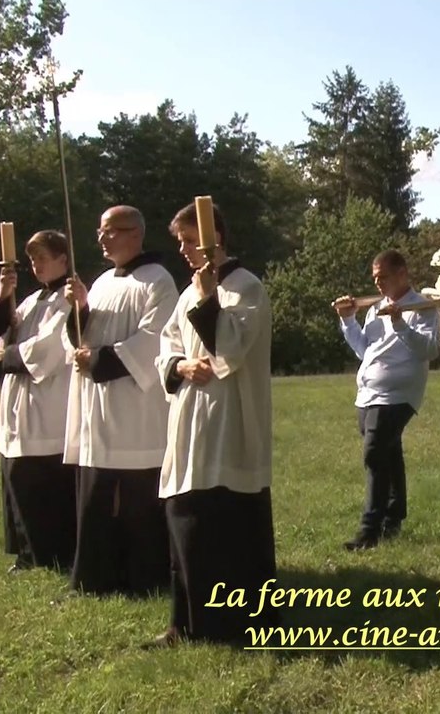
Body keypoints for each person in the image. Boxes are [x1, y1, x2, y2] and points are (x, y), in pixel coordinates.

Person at [148, 202, 278, 647]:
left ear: (214, 238)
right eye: (180, 242)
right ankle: (184, 623)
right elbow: (166, 347)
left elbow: (232, 350)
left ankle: (236, 625)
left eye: (189, 240)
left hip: (231, 422)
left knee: (227, 520)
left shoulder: (247, 287)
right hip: (190, 421)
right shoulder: (188, 293)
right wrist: (180, 366)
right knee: (185, 513)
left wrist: (208, 298)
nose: (183, 250)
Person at [62, 205, 180, 596]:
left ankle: (143, 578)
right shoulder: (99, 283)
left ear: (135, 233)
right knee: (98, 500)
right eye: (100, 231)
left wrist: (97, 360)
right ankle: (96, 577)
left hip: (136, 412)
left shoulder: (158, 282)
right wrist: (79, 308)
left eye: (110, 231)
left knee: (136, 504)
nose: (101, 238)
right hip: (98, 409)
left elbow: (153, 342)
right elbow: (85, 332)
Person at [332, 250, 440, 550]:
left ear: (402, 274)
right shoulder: (375, 308)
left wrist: (400, 324)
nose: (379, 284)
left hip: (398, 394)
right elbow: (364, 349)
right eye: (375, 278)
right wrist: (348, 321)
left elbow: (428, 350)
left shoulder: (423, 308)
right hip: (368, 393)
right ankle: (394, 518)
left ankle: (370, 532)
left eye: (384, 277)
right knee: (388, 453)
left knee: (374, 454)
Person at [0, 229, 77, 572]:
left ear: (63, 260)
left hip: (46, 398)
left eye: (43, 258)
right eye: (33, 260)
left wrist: (7, 356)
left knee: (41, 479)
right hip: (18, 398)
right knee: (16, 473)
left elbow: (47, 349)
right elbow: (2, 335)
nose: (36, 265)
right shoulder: (32, 299)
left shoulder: (69, 298)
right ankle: (25, 552)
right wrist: (3, 295)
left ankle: (50, 553)